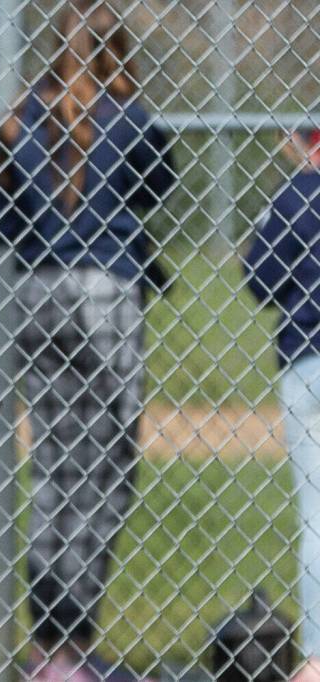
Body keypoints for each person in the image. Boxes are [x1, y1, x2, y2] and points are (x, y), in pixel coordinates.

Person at [0, 2, 175, 677]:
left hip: (37, 292)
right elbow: (161, 182)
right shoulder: (129, 117)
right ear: (118, 50)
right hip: (106, 292)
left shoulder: (19, 118)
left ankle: (45, 646)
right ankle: (74, 645)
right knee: (105, 469)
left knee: (54, 468)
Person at [244, 128, 320, 682]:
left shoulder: (298, 193)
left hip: (310, 357)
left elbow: (261, 280)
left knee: (318, 516)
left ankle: (317, 658)